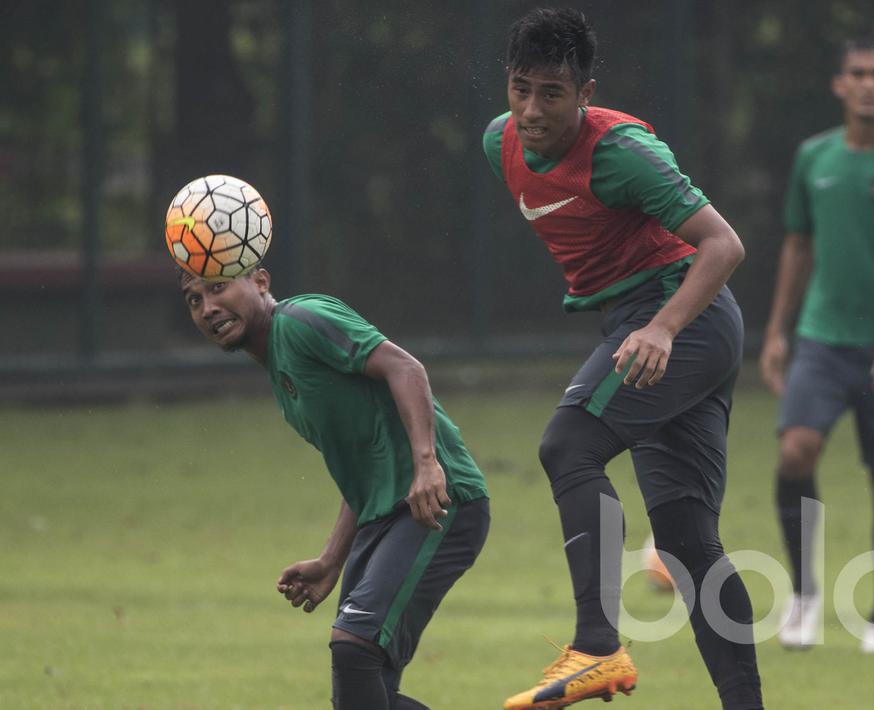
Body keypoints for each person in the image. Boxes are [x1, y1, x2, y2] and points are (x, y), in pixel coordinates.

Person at [482, 8, 762, 710]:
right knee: (687, 540)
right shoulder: (500, 143)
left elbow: (723, 245)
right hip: (645, 323)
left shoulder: (623, 153)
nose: (532, 108)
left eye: (552, 93)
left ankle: (597, 647)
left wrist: (663, 329)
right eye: (520, 88)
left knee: (567, 445)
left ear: (585, 92)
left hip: (681, 319)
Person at [178, 264, 490, 709]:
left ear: (261, 282)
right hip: (380, 517)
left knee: (353, 647)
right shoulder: (280, 374)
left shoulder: (302, 319)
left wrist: (427, 464)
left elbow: (406, 368)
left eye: (218, 288)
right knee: (361, 694)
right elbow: (358, 466)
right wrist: (331, 560)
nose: (209, 308)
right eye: (195, 300)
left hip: (437, 502)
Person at [760, 35, 874, 654]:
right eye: (858, 73)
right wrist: (776, 331)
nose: (868, 83)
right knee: (795, 453)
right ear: (839, 84)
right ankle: (805, 597)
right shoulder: (814, 158)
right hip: (820, 340)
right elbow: (797, 246)